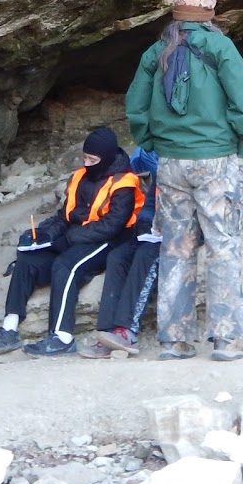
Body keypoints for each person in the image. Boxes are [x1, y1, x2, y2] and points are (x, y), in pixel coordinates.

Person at [125, 0, 243, 362]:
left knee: (176, 248)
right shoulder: (219, 47)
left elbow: (135, 104)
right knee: (223, 245)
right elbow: (242, 100)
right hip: (216, 159)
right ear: (209, 14)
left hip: (171, 163)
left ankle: (174, 340)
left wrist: (151, 142)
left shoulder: (155, 52)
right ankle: (227, 339)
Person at [0, 127, 144, 357]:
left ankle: (62, 337)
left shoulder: (124, 182)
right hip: (76, 236)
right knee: (28, 258)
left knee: (66, 266)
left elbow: (112, 225)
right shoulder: (79, 176)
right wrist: (45, 235)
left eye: (93, 159)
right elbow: (65, 215)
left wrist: (68, 239)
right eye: (85, 158)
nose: (88, 163)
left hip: (108, 241)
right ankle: (9, 328)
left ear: (108, 158)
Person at [76, 147, 161, 358]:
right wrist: (144, 222)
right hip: (155, 230)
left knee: (146, 255)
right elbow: (151, 201)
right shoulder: (167, 164)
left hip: (180, 232)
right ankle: (106, 332)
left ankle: (126, 331)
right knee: (118, 256)